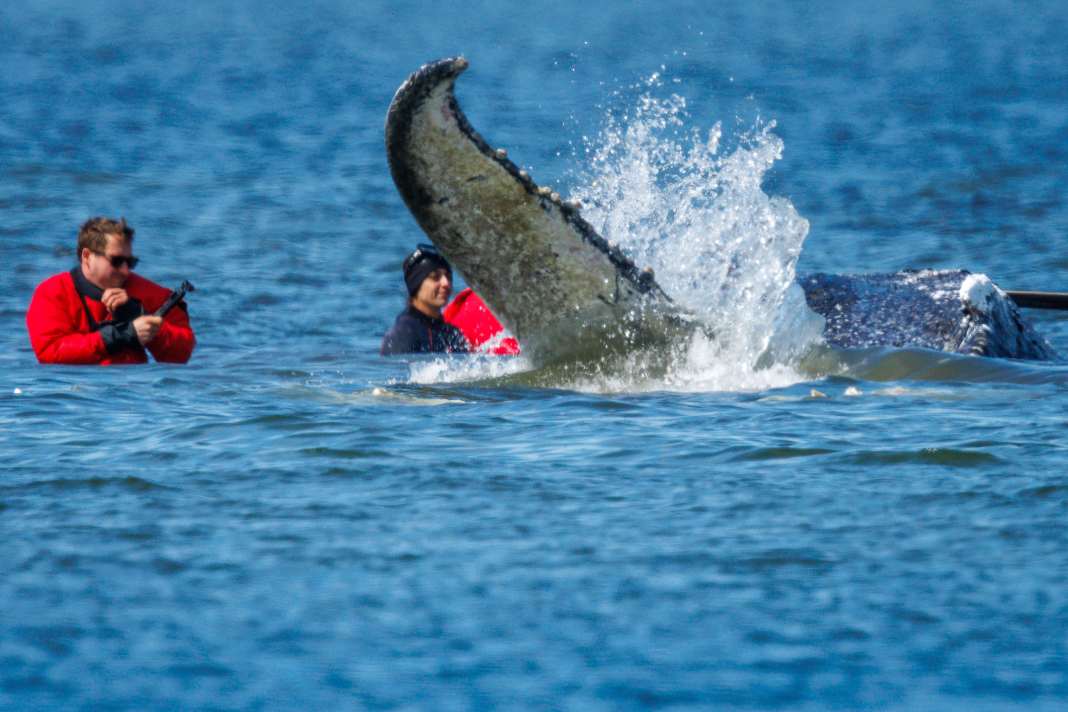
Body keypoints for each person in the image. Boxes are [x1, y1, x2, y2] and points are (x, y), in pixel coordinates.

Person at [26, 217, 196, 365]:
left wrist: (146, 321)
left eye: (130, 262)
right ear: (87, 256)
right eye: (116, 261)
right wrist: (122, 334)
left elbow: (181, 355)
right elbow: (50, 352)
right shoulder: (51, 293)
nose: (125, 271)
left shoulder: (148, 293)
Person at [380, 244, 470, 355]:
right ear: (416, 285)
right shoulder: (403, 333)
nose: (446, 283)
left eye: (448, 277)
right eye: (435, 277)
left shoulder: (452, 333)